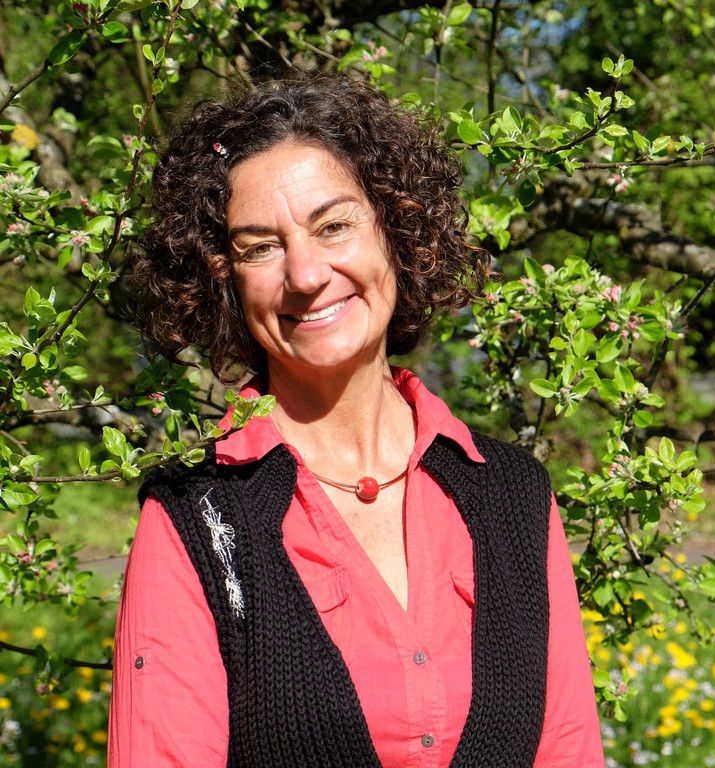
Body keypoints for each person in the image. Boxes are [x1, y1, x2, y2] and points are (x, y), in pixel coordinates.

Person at [109, 75, 604, 768]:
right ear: (224, 281)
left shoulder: (514, 495)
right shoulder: (194, 520)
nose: (305, 274)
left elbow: (567, 751)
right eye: (260, 247)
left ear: (396, 233)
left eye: (333, 226)